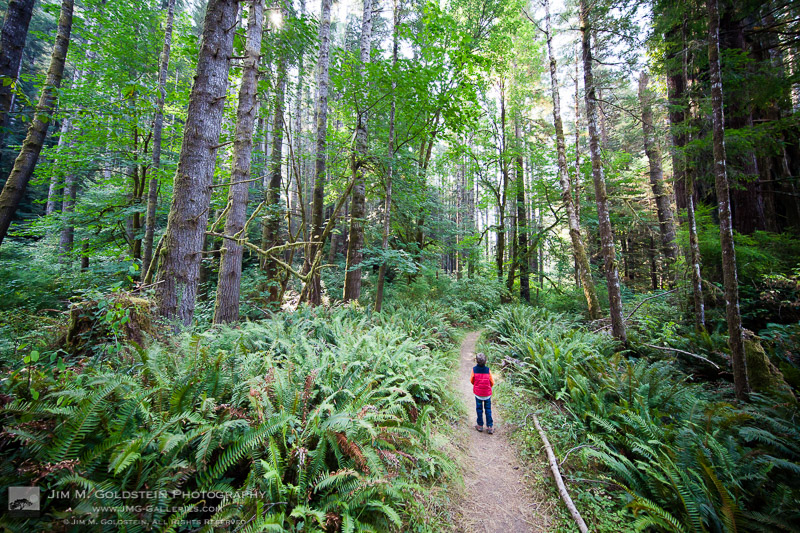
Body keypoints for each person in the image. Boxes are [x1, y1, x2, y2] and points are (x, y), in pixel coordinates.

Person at [470, 352, 495, 434]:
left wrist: (476, 385)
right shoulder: (488, 370)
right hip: (487, 394)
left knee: (479, 409)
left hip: (478, 394)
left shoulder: (474, 370)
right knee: (488, 409)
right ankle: (490, 426)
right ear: (485, 362)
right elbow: (492, 381)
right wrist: (488, 387)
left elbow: (472, 380)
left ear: (476, 361)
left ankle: (480, 425)